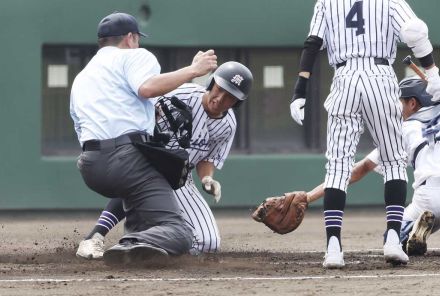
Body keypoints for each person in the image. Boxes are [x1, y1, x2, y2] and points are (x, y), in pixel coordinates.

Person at [289, 0, 440, 268]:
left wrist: (300, 90)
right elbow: (415, 31)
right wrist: (431, 70)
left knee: (337, 167)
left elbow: (312, 43)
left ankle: (333, 249)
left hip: (344, 77)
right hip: (380, 76)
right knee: (394, 161)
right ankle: (393, 241)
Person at [70, 12, 217, 265]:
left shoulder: (82, 76)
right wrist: (192, 70)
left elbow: (86, 124)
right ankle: (130, 243)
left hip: (91, 166)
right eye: (137, 39)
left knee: (141, 204)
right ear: (130, 38)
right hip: (127, 160)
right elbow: (147, 87)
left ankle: (121, 240)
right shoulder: (135, 55)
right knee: (180, 232)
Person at [75, 61, 253, 259]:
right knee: (140, 176)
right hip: (147, 164)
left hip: (180, 177)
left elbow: (208, 158)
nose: (220, 98)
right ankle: (97, 236)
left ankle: (145, 243)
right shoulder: (182, 93)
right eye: (219, 89)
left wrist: (207, 179)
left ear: (237, 103)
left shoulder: (227, 126)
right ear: (211, 83)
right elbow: (141, 100)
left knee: (209, 243)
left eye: (230, 97)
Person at [305, 77, 440, 257]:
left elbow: (359, 170)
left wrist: (308, 197)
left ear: (412, 103)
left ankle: (407, 234)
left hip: (429, 196)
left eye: (398, 102)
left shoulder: (404, 129)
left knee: (392, 239)